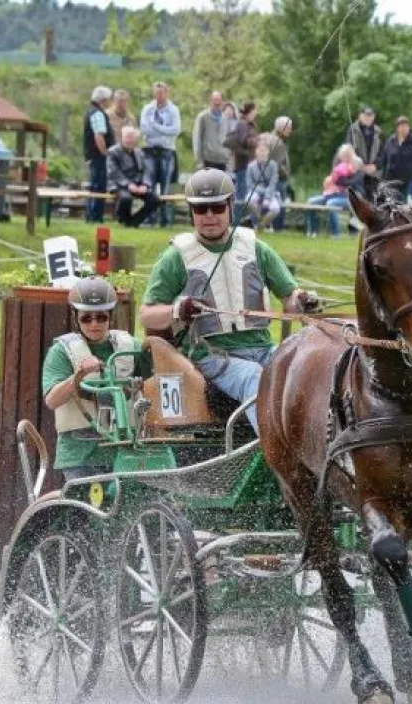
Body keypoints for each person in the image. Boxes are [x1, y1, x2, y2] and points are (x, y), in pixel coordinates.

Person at [139, 169, 320, 430]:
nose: (209, 216)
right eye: (200, 209)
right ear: (191, 212)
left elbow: (290, 300)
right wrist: (178, 309)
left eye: (217, 207)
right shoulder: (176, 257)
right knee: (255, 379)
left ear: (230, 206)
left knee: (308, 370)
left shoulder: (256, 248)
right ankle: (276, 451)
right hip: (212, 356)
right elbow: (147, 315)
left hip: (264, 349)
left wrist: (301, 300)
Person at [42, 277, 143, 482]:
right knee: (85, 502)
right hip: (80, 454)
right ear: (76, 318)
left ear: (110, 317)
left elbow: (154, 386)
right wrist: (79, 375)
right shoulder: (61, 352)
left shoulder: (132, 347)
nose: (94, 324)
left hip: (126, 450)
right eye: (86, 318)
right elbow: (52, 400)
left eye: (101, 318)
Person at [139, 81, 182, 227]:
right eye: (157, 93)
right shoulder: (147, 109)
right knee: (149, 185)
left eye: (162, 92)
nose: (159, 95)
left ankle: (165, 220)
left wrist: (156, 127)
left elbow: (175, 130)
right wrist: (163, 130)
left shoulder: (173, 110)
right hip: (150, 150)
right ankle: (149, 219)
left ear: (166, 93)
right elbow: (144, 129)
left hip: (166, 151)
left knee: (165, 187)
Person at [304, 145, 362, 237]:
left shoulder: (356, 166)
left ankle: (335, 234)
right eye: (342, 156)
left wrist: (337, 182)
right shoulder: (340, 166)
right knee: (311, 202)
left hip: (348, 197)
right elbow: (334, 179)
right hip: (332, 194)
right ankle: (313, 231)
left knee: (331, 204)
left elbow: (350, 182)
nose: (343, 159)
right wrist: (330, 182)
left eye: (346, 156)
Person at [107, 126, 158, 228]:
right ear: (122, 138)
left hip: (138, 184)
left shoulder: (140, 152)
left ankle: (134, 221)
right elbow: (114, 172)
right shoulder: (113, 152)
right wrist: (128, 185)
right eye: (127, 137)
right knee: (126, 198)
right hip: (119, 185)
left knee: (154, 199)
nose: (129, 140)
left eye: (132, 137)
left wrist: (145, 185)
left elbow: (147, 171)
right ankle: (125, 220)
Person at [83, 85, 114, 223]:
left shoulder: (91, 111)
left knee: (95, 185)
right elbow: (99, 135)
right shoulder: (98, 114)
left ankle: (92, 215)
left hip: (93, 155)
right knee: (98, 186)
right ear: (103, 100)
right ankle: (95, 216)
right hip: (98, 156)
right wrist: (105, 152)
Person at [378, 115, 412, 201]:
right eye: (402, 126)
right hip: (391, 180)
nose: (404, 129)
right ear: (397, 128)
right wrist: (383, 177)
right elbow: (384, 159)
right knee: (392, 203)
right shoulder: (391, 141)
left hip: (408, 181)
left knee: (405, 203)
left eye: (406, 126)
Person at [261, 116, 293, 231]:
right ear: (280, 128)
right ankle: (278, 228)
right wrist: (286, 173)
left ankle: (270, 226)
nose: (290, 130)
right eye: (288, 128)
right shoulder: (277, 142)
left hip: (270, 178)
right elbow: (276, 163)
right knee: (279, 204)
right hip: (278, 179)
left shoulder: (269, 138)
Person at [225, 103, 259, 202]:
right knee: (242, 193)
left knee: (247, 192)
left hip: (250, 163)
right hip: (243, 163)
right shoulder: (242, 124)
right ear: (249, 112)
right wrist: (258, 140)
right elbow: (243, 140)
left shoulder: (250, 124)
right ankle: (238, 212)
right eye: (254, 112)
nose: (255, 114)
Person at [243, 142, 280, 229]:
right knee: (248, 200)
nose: (262, 153)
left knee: (276, 209)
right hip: (255, 190)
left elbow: (273, 182)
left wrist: (267, 197)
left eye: (264, 150)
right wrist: (260, 191)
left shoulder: (273, 165)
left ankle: (262, 225)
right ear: (256, 152)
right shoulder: (250, 166)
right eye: (260, 150)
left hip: (270, 192)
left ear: (268, 152)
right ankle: (259, 217)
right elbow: (249, 184)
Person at [193, 91, 230, 173]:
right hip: (208, 159)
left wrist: (228, 158)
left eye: (219, 100)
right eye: (215, 100)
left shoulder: (225, 118)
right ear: (210, 101)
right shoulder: (203, 117)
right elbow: (197, 139)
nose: (217, 103)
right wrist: (199, 160)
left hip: (222, 160)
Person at [344, 105, 381, 178]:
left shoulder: (379, 132)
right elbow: (348, 151)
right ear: (360, 116)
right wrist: (361, 166)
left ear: (374, 117)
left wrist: (376, 165)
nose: (368, 118)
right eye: (365, 115)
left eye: (370, 115)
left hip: (374, 173)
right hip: (357, 172)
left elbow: (383, 153)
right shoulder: (353, 130)